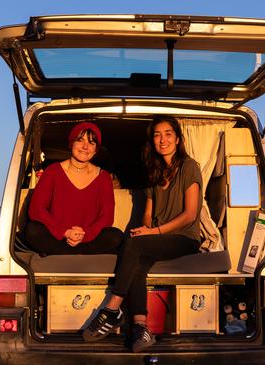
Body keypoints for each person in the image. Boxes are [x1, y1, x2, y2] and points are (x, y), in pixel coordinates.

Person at [82, 116, 203, 352]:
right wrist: (145, 229)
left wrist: (153, 232)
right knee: (135, 253)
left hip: (184, 238)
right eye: (157, 135)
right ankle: (140, 327)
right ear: (153, 141)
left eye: (168, 134)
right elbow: (148, 213)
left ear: (178, 139)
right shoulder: (154, 172)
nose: (162, 139)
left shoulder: (190, 167)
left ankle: (112, 308)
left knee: (135, 247)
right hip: (157, 237)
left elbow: (189, 215)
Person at [23, 121, 122, 255]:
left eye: (91, 143)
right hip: (57, 237)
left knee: (115, 236)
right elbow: (36, 209)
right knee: (32, 230)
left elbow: (107, 217)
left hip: (87, 240)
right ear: (71, 143)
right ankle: (74, 252)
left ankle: (62, 253)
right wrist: (65, 232)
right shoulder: (52, 171)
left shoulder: (103, 177)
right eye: (80, 140)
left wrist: (84, 235)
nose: (85, 147)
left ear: (96, 149)